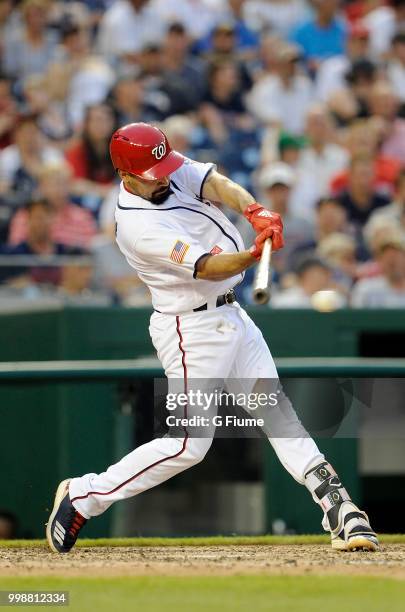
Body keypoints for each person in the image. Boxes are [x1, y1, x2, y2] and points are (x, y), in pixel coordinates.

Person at [47, 122, 378, 554]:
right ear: (125, 176)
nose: (164, 176)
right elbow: (206, 266)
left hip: (231, 315)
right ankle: (84, 496)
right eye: (152, 173)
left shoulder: (163, 168)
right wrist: (256, 252)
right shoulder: (137, 227)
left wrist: (255, 210)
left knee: (277, 413)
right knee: (188, 444)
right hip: (191, 329)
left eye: (164, 166)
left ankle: (340, 508)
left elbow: (213, 182)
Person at [351, 233, 405, 307]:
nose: (392, 260)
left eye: (397, 255)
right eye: (387, 256)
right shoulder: (366, 289)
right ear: (379, 260)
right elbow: (356, 317)